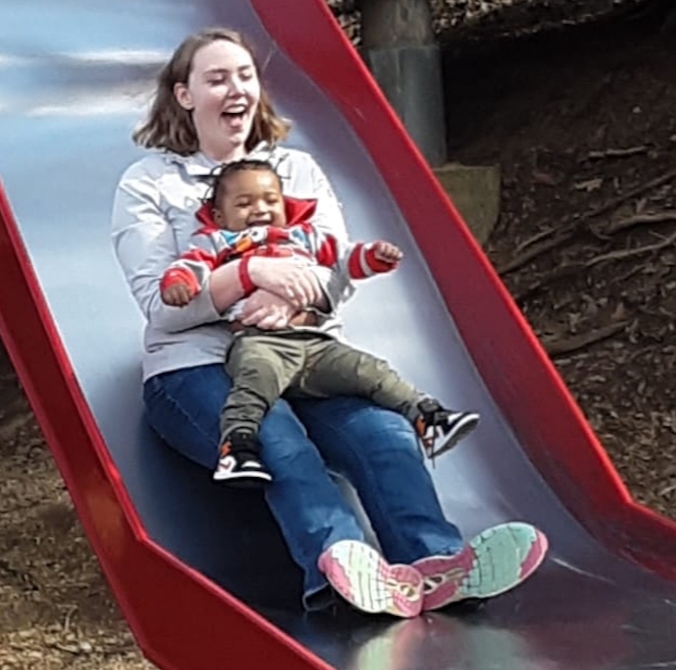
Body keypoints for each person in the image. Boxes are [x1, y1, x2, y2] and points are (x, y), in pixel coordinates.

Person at [111, 26, 547, 618]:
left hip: (302, 348)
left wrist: (296, 300)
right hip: (198, 367)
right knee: (278, 439)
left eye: (244, 75)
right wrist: (251, 274)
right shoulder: (149, 184)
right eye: (216, 79)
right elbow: (161, 302)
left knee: (387, 433)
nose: (234, 88)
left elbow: (336, 269)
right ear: (185, 95)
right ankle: (340, 569)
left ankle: (433, 564)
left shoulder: (295, 170)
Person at [159, 158, 479, 486]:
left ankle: (427, 417)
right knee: (255, 383)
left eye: (271, 201)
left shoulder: (304, 237)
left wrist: (373, 257)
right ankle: (237, 447)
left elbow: (343, 259)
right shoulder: (218, 241)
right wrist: (179, 283)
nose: (260, 209)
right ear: (219, 216)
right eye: (244, 203)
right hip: (260, 340)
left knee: (369, 370)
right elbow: (191, 265)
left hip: (315, 342)